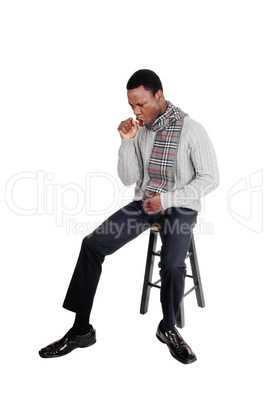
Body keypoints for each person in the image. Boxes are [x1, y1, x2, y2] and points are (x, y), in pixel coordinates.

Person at [39, 69, 219, 364]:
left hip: (181, 206)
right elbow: (129, 178)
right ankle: (81, 329)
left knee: (173, 264)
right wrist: (126, 142)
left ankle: (168, 329)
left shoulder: (192, 130)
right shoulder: (141, 130)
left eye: (141, 104)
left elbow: (210, 178)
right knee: (92, 244)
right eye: (131, 106)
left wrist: (168, 199)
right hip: (146, 204)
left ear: (158, 96)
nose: (136, 112)